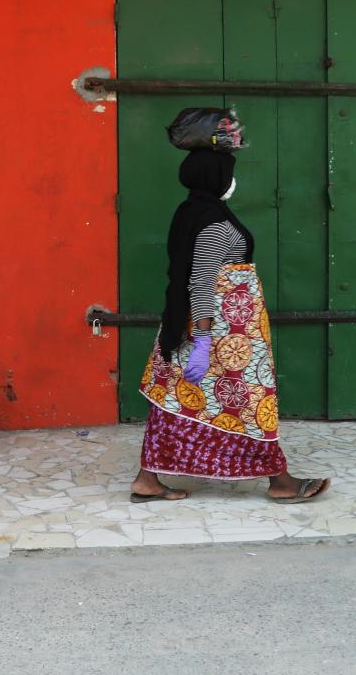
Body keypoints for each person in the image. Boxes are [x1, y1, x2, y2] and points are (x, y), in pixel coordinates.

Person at [133, 147, 331, 503]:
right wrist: (204, 340)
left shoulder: (193, 212)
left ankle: (147, 480)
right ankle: (281, 482)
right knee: (251, 400)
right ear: (216, 178)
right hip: (224, 336)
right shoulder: (213, 223)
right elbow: (202, 280)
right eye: (228, 173)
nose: (232, 180)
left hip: (211, 329)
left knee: (175, 402)